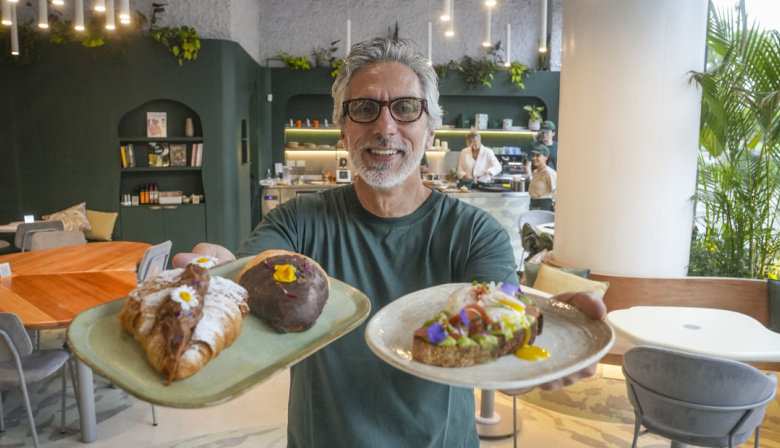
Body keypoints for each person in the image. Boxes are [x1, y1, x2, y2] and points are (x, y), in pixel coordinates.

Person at [173, 37, 604, 448]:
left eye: (405, 108)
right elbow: (249, 272)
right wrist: (222, 275)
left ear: (431, 130)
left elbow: (502, 327)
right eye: (363, 108)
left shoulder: (474, 233)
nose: (385, 126)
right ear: (343, 130)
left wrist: (544, 351)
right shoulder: (297, 221)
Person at [528, 143, 557, 211]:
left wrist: (555, 207)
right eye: (533, 155)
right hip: (533, 204)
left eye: (538, 155)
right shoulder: (535, 172)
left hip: (544, 206)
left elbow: (557, 191)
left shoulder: (549, 172)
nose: (534, 158)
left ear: (545, 157)